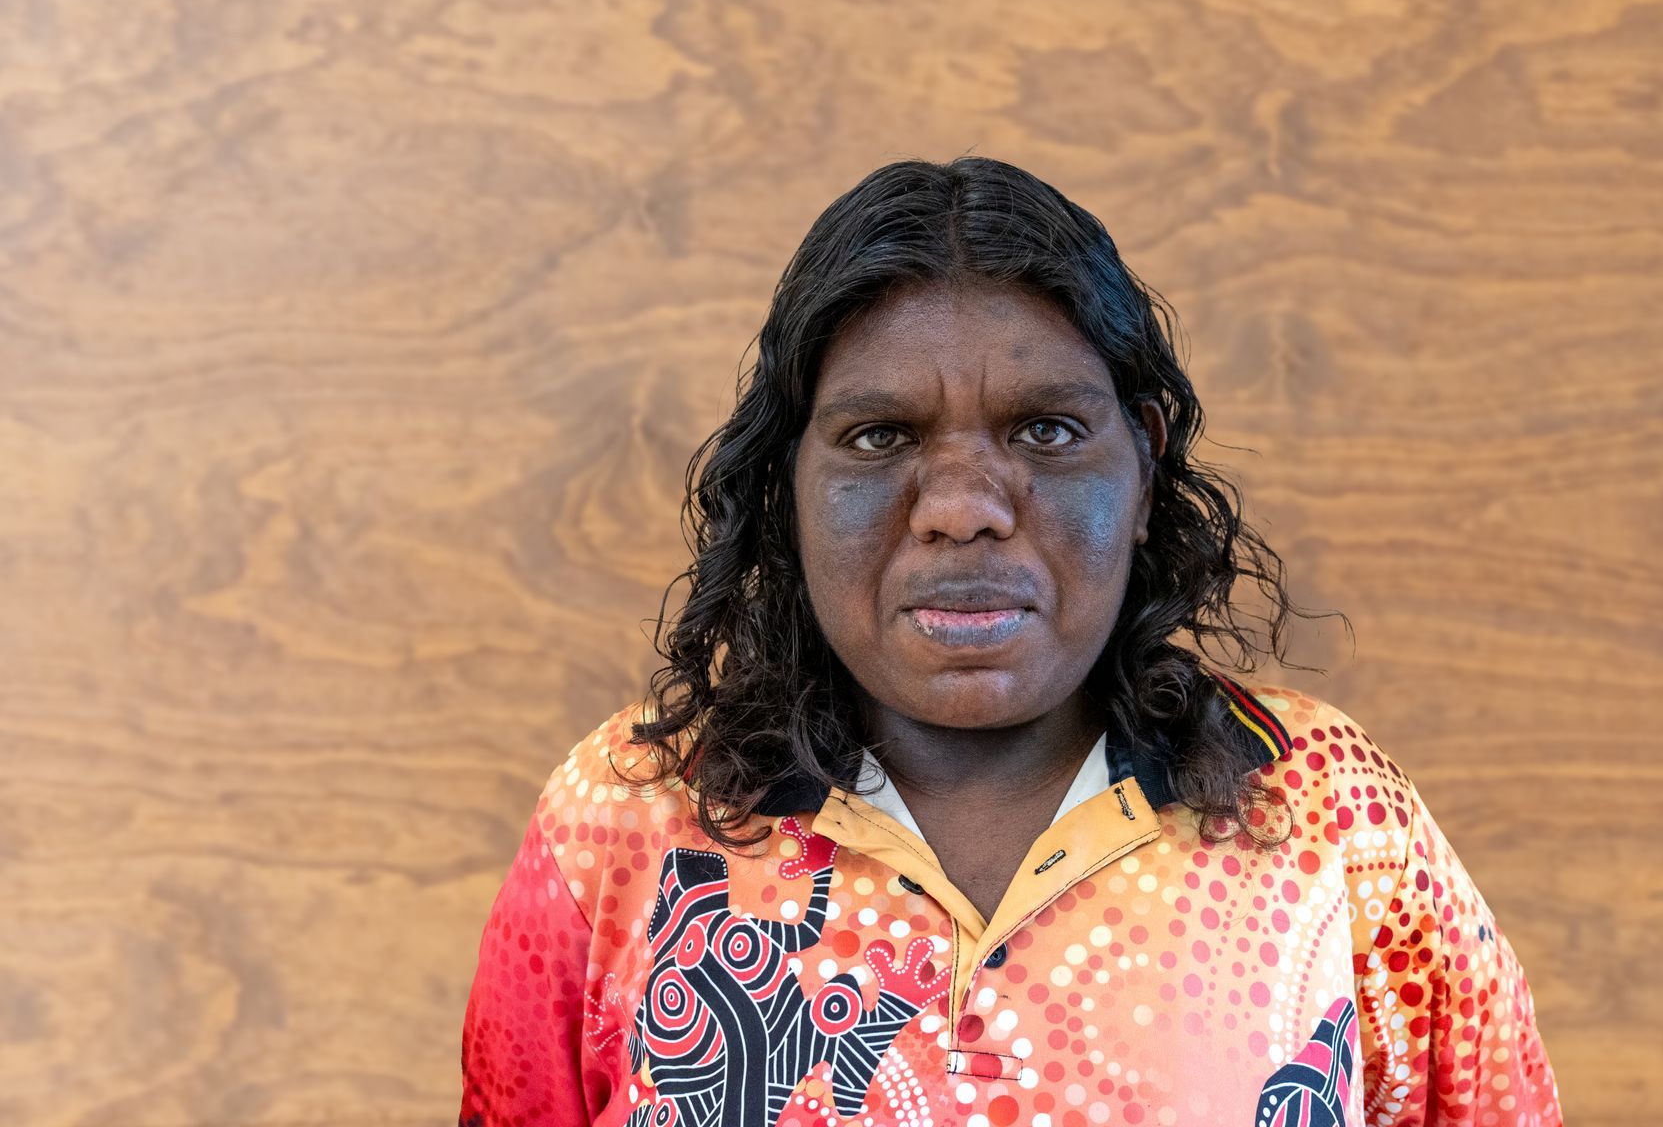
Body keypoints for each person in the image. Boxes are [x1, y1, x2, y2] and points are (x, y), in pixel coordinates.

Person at [457, 156, 1564, 1127]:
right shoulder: (623, 819)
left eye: (1045, 428)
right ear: (787, 479)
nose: (962, 505)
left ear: (1142, 463)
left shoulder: (1330, 816)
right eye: (880, 434)